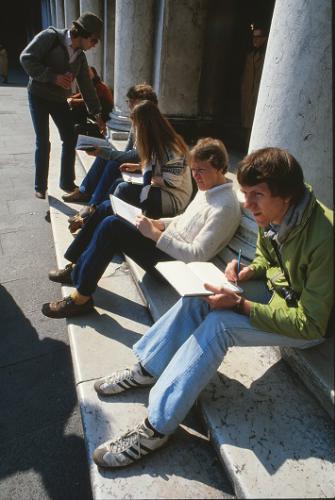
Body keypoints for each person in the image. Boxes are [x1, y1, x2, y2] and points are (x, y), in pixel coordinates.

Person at [89, 147, 333, 469]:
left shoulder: (325, 236)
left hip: (311, 323)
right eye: (245, 193)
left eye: (256, 195)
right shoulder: (271, 213)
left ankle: (156, 427)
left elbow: (312, 323)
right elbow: (268, 260)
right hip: (281, 294)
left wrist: (243, 305)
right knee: (200, 295)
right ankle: (148, 367)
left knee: (220, 326)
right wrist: (248, 271)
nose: (248, 204)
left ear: (286, 195)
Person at [42, 138, 241, 319]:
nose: (196, 176)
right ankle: (77, 265)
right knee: (107, 207)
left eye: (201, 170)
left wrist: (154, 234)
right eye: (193, 170)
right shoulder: (210, 188)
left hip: (174, 265)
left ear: (220, 168)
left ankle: (81, 298)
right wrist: (158, 223)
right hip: (165, 245)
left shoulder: (224, 207)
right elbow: (183, 219)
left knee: (112, 226)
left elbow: (196, 255)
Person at [20, 12, 106, 199]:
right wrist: (54, 77)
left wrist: (98, 114)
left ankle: (66, 182)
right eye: (94, 39)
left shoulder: (80, 57)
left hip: (59, 99)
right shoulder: (50, 37)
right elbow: (26, 58)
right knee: (43, 140)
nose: (94, 45)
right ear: (83, 33)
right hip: (38, 95)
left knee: (69, 137)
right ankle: (40, 186)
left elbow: (87, 86)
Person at [63, 83, 158, 213]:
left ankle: (93, 206)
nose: (129, 105)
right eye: (128, 101)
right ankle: (85, 191)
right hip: (140, 162)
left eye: (132, 102)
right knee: (105, 158)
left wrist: (106, 153)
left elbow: (137, 155)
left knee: (111, 161)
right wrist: (106, 153)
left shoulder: (149, 124)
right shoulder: (137, 119)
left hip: (147, 167)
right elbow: (128, 150)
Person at [241, 25, 268, 149]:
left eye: (258, 37)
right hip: (248, 92)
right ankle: (247, 146)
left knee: (255, 121)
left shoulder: (266, 56)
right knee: (247, 121)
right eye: (254, 37)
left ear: (264, 38)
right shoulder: (250, 55)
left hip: (259, 92)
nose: (255, 40)